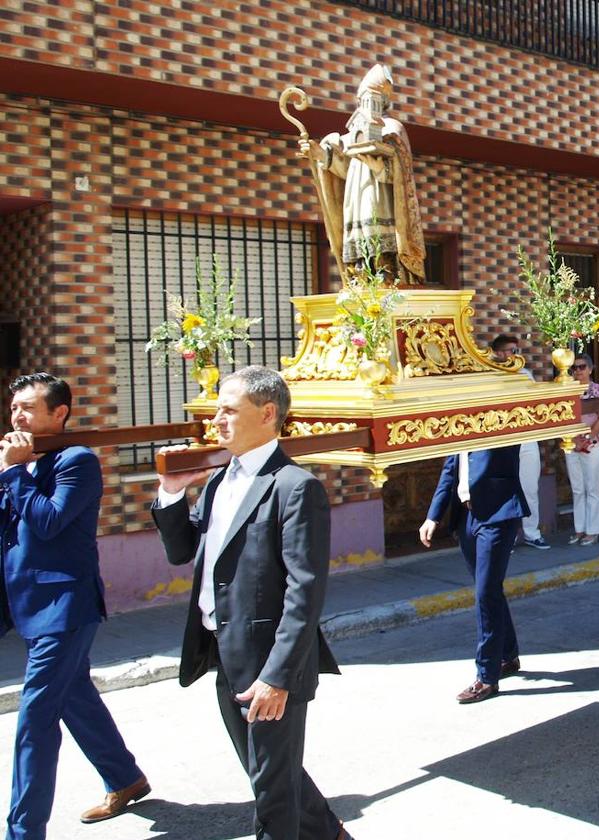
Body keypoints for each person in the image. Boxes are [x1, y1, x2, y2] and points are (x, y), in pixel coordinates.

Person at [152, 367, 349, 840]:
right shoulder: (220, 482)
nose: (215, 419)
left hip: (269, 663)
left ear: (266, 414)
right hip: (225, 652)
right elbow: (184, 552)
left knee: (272, 795)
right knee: (271, 773)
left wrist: (277, 677)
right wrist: (173, 493)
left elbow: (304, 592)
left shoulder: (294, 487)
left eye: (228, 410)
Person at [0, 374, 149, 839]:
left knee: (35, 721)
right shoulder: (19, 460)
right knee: (73, 696)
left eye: (27, 407)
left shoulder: (77, 461)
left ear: (59, 412)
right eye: (13, 408)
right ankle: (125, 778)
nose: (16, 416)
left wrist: (12, 473)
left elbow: (47, 522)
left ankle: (24, 831)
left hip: (65, 606)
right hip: (24, 601)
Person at [420, 444, 529, 703]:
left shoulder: (500, 419)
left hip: (498, 514)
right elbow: (450, 470)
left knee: (486, 592)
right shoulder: (459, 425)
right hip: (467, 517)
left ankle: (486, 677)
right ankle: (508, 656)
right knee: (488, 589)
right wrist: (433, 516)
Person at [300, 64, 425, 283]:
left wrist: (380, 168)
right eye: (364, 98)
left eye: (372, 98)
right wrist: (321, 155)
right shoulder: (352, 134)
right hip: (355, 201)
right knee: (360, 252)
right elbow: (346, 169)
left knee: (381, 252)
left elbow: (402, 172)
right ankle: (360, 278)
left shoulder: (392, 127)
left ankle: (388, 277)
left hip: (382, 201)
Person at [492, 335, 550, 550]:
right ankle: (506, 537)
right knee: (503, 490)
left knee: (529, 488)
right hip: (502, 440)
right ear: (498, 353)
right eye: (511, 350)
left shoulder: (525, 375)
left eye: (516, 350)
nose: (515, 355)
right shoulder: (492, 376)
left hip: (526, 438)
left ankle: (532, 533)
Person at [565, 353, 599, 546]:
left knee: (592, 488)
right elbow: (563, 417)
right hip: (571, 444)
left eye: (582, 367)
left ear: (590, 369)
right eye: (574, 368)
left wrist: (587, 438)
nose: (578, 371)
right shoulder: (568, 391)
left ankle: (593, 531)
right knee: (577, 489)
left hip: (592, 445)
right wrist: (574, 439)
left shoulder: (597, 391)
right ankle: (579, 529)